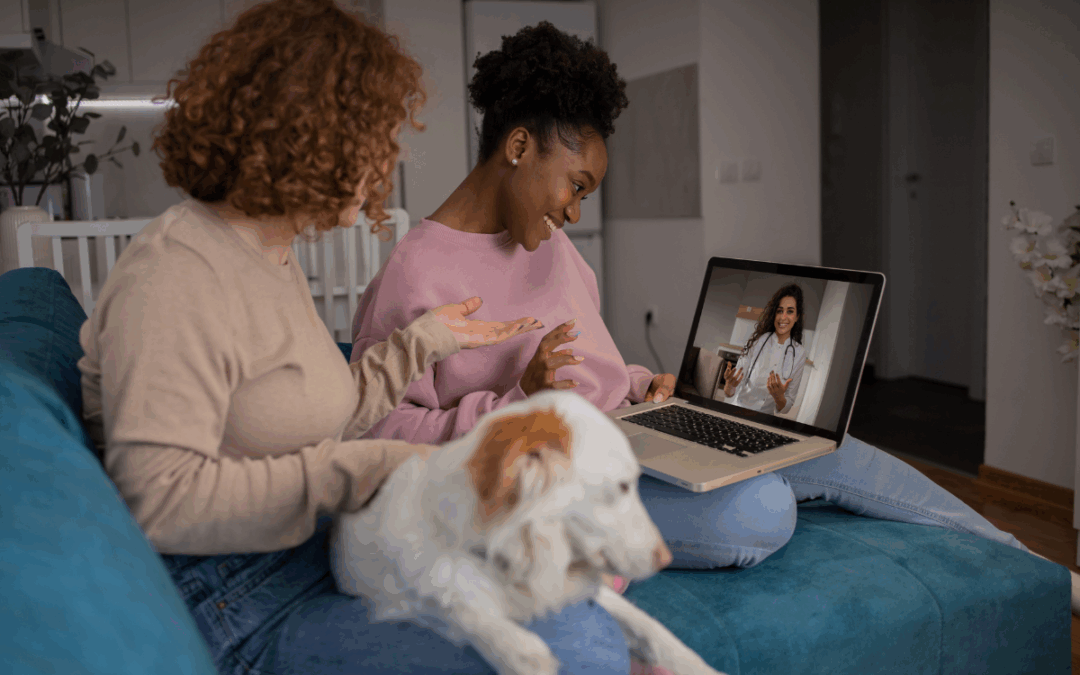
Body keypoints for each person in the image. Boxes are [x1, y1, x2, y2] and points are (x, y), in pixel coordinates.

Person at [351, 20, 1080, 614]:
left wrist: (643, 386)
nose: (574, 210)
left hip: (632, 435)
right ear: (517, 146)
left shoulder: (560, 251)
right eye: (574, 184)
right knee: (759, 509)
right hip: (555, 480)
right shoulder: (413, 274)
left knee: (813, 442)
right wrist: (519, 402)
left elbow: (598, 368)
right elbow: (379, 436)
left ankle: (1040, 568)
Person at [76, 2, 635, 674]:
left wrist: (419, 343)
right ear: (306, 132)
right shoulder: (174, 269)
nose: (388, 159)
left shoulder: (271, 255)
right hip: (237, 601)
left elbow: (323, 410)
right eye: (374, 135)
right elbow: (158, 498)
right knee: (578, 642)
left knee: (565, 596)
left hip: (316, 552)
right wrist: (361, 469)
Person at [720, 284, 808, 415]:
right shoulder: (757, 341)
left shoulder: (799, 353)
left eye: (790, 311)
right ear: (774, 314)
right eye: (779, 311)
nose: (783, 317)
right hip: (739, 410)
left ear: (797, 317)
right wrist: (728, 384)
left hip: (765, 419)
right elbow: (729, 393)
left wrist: (779, 397)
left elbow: (786, 407)